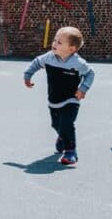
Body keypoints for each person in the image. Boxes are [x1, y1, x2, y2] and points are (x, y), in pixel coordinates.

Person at [24, 26, 94, 165]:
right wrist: (28, 74)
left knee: (67, 124)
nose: (54, 43)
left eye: (59, 42)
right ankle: (62, 137)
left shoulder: (78, 63)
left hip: (71, 99)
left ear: (72, 49)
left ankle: (71, 152)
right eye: (55, 40)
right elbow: (37, 62)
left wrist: (83, 88)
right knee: (56, 124)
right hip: (54, 100)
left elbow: (90, 74)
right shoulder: (49, 57)